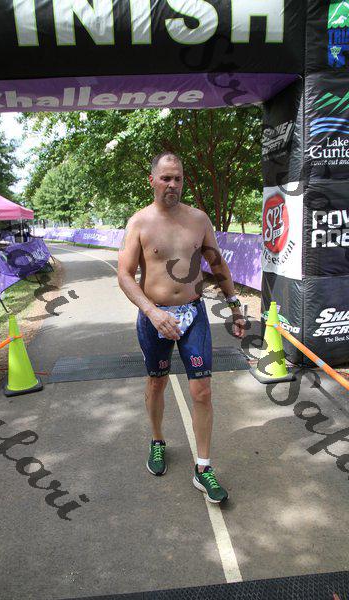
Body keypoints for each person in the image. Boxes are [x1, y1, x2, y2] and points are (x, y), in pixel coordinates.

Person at [117, 152, 246, 503]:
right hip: (154, 315)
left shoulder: (198, 220)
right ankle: (157, 440)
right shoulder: (139, 222)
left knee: (202, 391)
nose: (172, 184)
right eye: (166, 178)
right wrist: (151, 311)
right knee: (157, 382)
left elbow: (217, 265)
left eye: (178, 178)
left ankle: (203, 468)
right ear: (152, 180)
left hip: (193, 314)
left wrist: (235, 307)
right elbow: (124, 275)